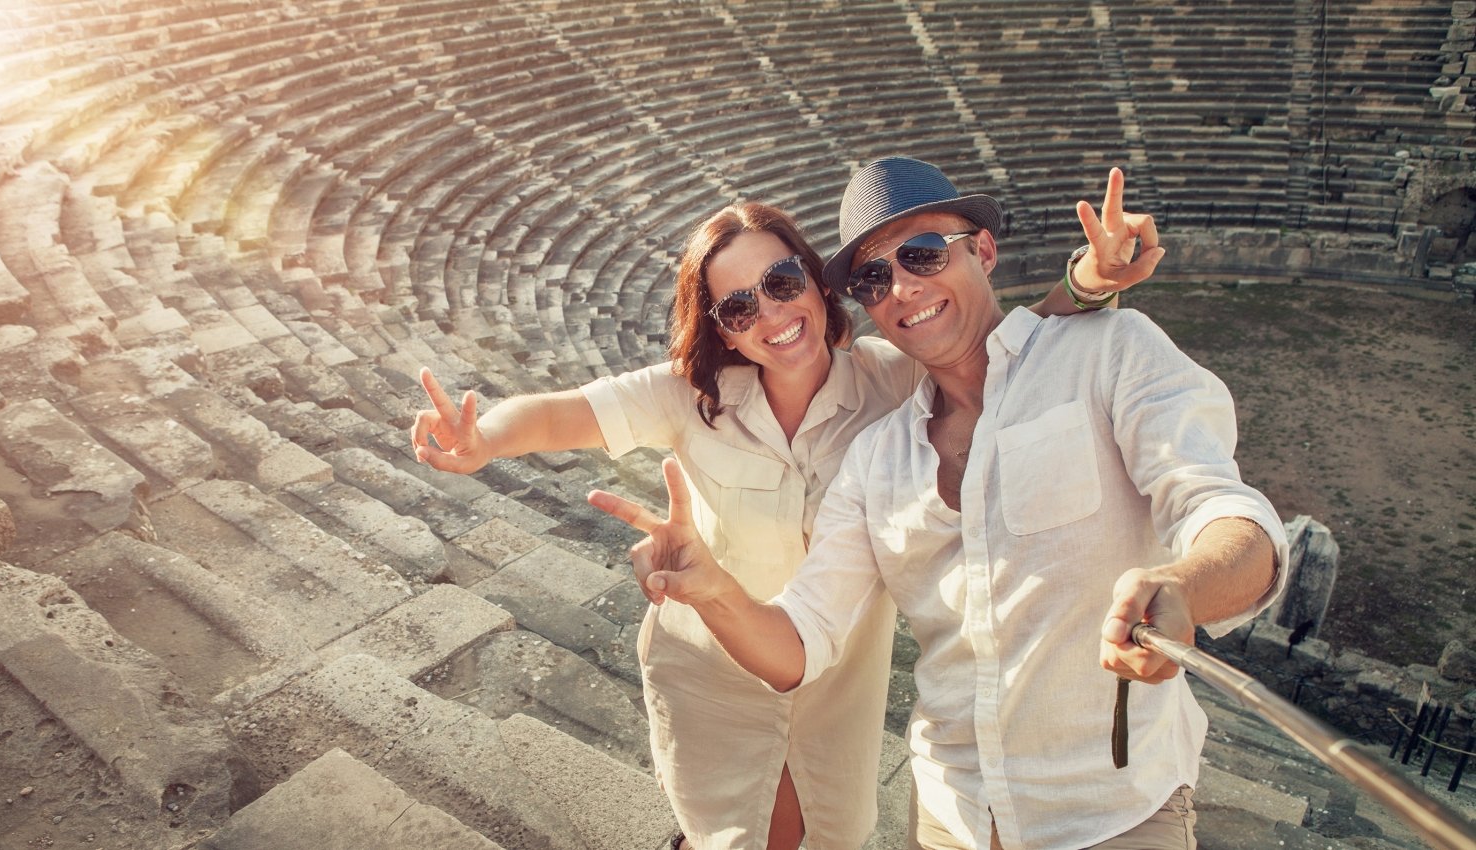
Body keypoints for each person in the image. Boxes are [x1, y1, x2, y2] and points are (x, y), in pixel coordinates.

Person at [412, 168, 1162, 850]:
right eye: (737, 306)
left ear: (813, 276)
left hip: (835, 671)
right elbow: (558, 416)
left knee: (822, 832)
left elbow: (1001, 352)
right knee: (737, 834)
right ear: (718, 327)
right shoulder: (689, 393)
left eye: (780, 281)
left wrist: (1089, 283)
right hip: (710, 664)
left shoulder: (890, 380)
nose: (769, 313)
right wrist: (482, 438)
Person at [589, 156, 1289, 850]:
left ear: (982, 250)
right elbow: (799, 643)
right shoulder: (876, 459)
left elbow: (1224, 513)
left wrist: (1185, 585)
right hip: (948, 816)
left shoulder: (1109, 354)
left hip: (1111, 813)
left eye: (923, 254)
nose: (901, 286)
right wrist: (714, 591)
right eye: (873, 276)